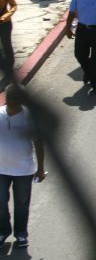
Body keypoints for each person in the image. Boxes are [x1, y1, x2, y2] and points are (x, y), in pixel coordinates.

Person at [0, 84, 45, 250]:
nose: (15, 103)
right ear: (7, 98)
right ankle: (3, 231)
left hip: (24, 170)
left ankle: (21, 234)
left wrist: (40, 168)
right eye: (12, 99)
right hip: (1, 170)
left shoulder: (30, 118)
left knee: (21, 204)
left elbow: (39, 143)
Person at [0, 0, 16, 86]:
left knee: (6, 45)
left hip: (4, 23)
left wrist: (5, 16)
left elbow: (14, 5)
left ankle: (9, 70)